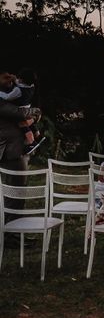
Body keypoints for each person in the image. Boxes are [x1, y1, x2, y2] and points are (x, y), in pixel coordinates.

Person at [0, 70, 36, 248]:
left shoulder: (6, 98)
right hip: (10, 152)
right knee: (16, 192)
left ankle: (13, 231)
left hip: (14, 150)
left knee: (16, 192)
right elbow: (21, 114)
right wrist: (36, 111)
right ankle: (10, 235)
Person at [0, 69, 41, 151]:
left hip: (20, 109)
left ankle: (31, 142)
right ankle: (37, 134)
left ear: (22, 79)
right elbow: (20, 83)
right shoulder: (31, 85)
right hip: (27, 107)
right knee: (28, 122)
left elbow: (8, 97)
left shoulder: (18, 90)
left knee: (22, 124)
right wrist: (15, 79)